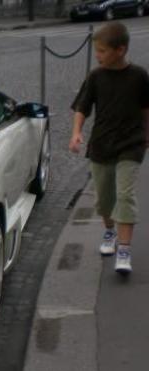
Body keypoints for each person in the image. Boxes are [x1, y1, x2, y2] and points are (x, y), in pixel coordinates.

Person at [69, 22, 149, 274]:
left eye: (102, 51)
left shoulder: (139, 76)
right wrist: (76, 133)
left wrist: (147, 134)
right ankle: (110, 232)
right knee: (105, 200)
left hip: (131, 144)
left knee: (125, 195)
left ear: (121, 49)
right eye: (97, 50)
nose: (98, 55)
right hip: (102, 143)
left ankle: (124, 250)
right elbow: (82, 107)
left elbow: (147, 108)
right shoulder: (96, 76)